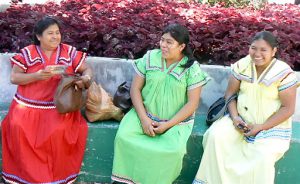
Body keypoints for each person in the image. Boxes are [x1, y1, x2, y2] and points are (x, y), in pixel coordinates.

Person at [193, 31, 298, 184]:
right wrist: (235, 118)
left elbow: (288, 109)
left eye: (263, 50)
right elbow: (230, 94)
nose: (257, 54)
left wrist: (261, 126)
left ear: (274, 51)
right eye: (253, 48)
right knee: (216, 136)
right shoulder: (243, 65)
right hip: (239, 119)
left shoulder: (283, 73)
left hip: (269, 126)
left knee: (263, 155)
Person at [111, 23, 210, 184]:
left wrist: (167, 125)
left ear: (182, 46)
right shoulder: (150, 58)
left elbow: (192, 104)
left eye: (169, 42)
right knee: (124, 138)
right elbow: (135, 89)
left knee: (172, 151)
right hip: (143, 114)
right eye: (162, 40)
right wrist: (144, 119)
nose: (163, 45)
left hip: (176, 122)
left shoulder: (192, 69)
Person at [1, 16, 93, 183]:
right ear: (38, 36)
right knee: (18, 127)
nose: (55, 37)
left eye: (57, 33)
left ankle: (56, 178)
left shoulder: (68, 51)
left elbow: (87, 69)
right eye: (50, 33)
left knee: (59, 132)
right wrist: (36, 75)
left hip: (59, 108)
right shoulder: (28, 53)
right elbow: (14, 78)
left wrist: (85, 79)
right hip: (27, 107)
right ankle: (27, 178)